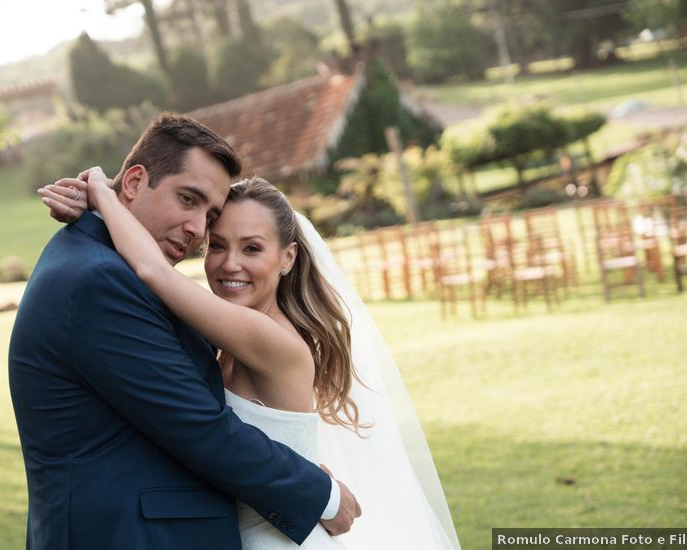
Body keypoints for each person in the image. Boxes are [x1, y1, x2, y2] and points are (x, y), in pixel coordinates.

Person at [42, 166, 460, 549]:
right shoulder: (226, 332)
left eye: (252, 248)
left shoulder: (268, 338)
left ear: (287, 258)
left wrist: (103, 193)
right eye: (217, 246)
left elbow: (153, 271)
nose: (230, 264)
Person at [8, 113, 360, 550]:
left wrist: (104, 200)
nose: (198, 231)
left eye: (209, 215)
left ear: (287, 258)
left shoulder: (116, 270)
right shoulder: (102, 281)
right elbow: (201, 428)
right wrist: (320, 494)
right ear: (134, 182)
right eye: (188, 200)